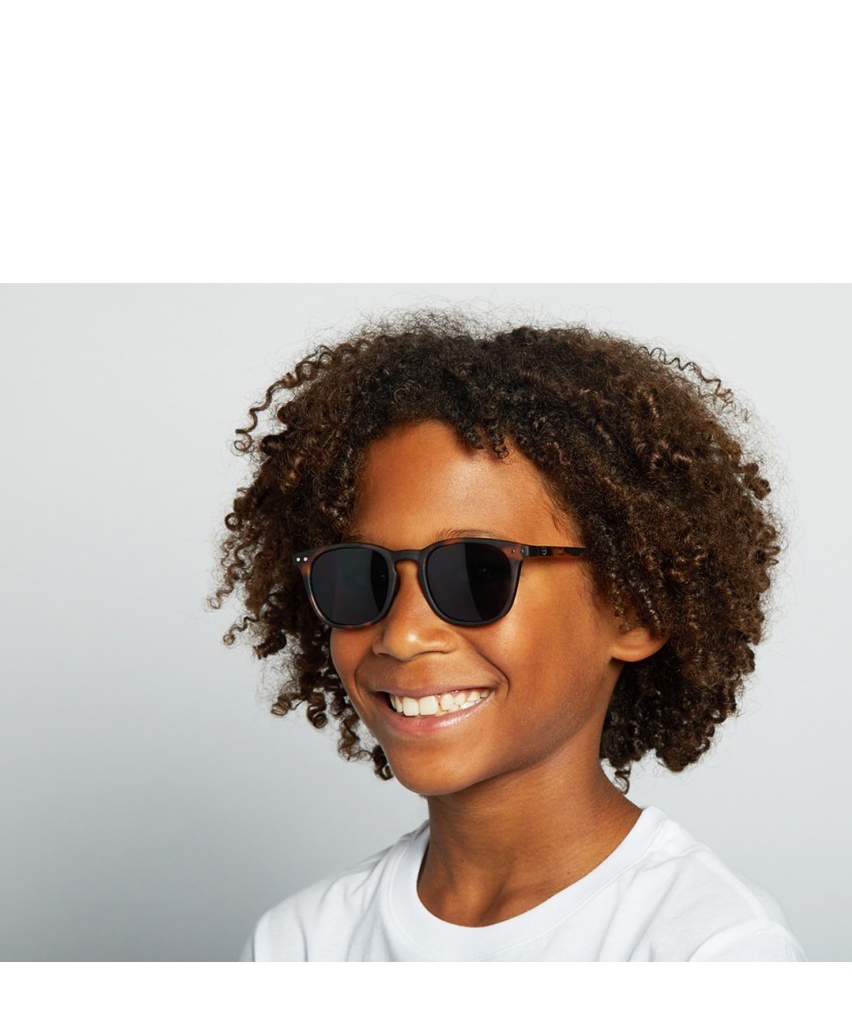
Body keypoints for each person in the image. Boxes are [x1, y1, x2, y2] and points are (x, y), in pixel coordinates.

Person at [208, 308, 805, 961]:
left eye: (474, 574)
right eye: (360, 575)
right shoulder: (300, 944)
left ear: (635, 610)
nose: (402, 635)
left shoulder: (711, 950)